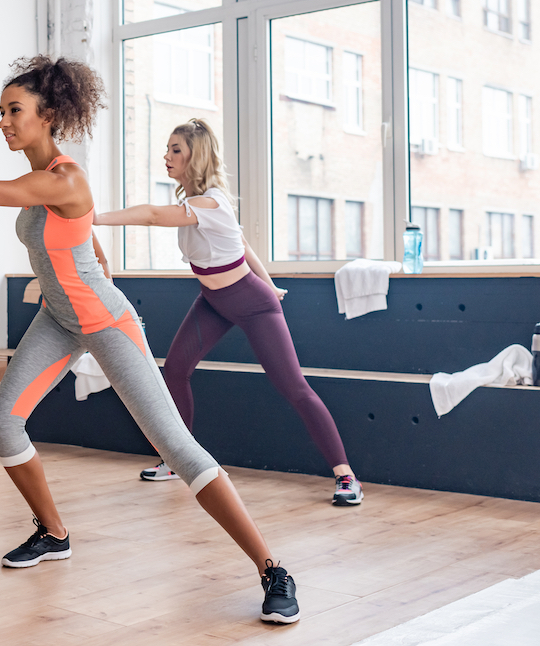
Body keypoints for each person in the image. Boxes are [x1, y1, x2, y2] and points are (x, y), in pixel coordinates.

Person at [0, 56, 300, 624]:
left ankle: (272, 568)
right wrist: (90, 257)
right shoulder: (39, 181)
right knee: (4, 422)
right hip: (58, 318)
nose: (3, 121)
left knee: (178, 449)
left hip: (104, 321)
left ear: (47, 115)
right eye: (1, 112)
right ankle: (53, 532)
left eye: (14, 111)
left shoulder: (62, 178)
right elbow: (76, 243)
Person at [93, 119, 363, 507]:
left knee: (293, 387)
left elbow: (153, 216)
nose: (166, 157)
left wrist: (96, 218)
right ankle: (177, 459)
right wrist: (270, 280)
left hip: (252, 304)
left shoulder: (211, 202)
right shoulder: (197, 204)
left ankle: (346, 476)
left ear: (195, 157)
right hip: (213, 302)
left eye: (176, 150)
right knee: (175, 369)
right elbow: (243, 242)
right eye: (167, 149)